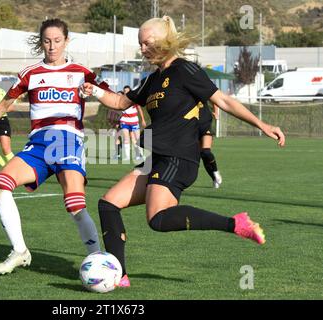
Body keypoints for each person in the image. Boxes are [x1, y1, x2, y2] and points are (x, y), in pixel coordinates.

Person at [80, 16, 285, 287]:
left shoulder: (184, 70)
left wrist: (261, 123)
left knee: (158, 219)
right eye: (140, 44)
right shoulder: (152, 79)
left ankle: (236, 224)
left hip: (179, 157)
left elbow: (222, 99)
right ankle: (121, 276)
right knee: (108, 204)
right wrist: (93, 89)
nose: (142, 49)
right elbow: (120, 101)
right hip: (157, 157)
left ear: (165, 40)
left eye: (147, 42)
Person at [0, 18, 108, 275]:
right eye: (47, 41)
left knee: (75, 204)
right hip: (38, 145)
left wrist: (95, 92)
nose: (52, 46)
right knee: (0, 184)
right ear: (41, 42)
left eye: (57, 41)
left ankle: (98, 259)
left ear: (67, 41)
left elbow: (114, 98)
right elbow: (3, 105)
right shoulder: (31, 74)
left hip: (67, 142)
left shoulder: (82, 73)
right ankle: (20, 251)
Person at [198, 102, 222, 188]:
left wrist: (216, 112)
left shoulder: (201, 89)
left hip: (205, 122)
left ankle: (215, 171)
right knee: (200, 156)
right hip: (191, 124)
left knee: (206, 152)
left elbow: (214, 98)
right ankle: (214, 178)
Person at [121, 85, 146, 161]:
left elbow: (139, 109)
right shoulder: (121, 99)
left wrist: (143, 120)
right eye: (125, 91)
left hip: (134, 121)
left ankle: (139, 155)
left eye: (128, 91)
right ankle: (127, 157)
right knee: (126, 139)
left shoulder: (134, 99)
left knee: (137, 139)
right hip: (124, 121)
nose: (126, 92)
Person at [107, 92, 123, 160]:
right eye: (117, 95)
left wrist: (119, 123)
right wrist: (112, 123)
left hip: (124, 124)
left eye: (120, 95)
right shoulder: (113, 105)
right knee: (116, 139)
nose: (118, 96)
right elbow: (109, 115)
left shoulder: (123, 105)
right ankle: (118, 154)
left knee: (128, 140)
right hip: (115, 125)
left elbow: (123, 115)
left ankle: (138, 154)